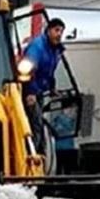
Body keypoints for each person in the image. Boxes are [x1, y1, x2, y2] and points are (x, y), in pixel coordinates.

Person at [23, 18, 66, 155]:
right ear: (48, 31)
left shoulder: (55, 50)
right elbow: (28, 69)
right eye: (56, 30)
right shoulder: (37, 46)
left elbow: (49, 72)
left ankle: (40, 155)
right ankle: (31, 156)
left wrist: (52, 88)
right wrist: (30, 92)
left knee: (38, 123)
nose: (59, 34)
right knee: (36, 124)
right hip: (30, 90)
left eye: (61, 31)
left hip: (39, 91)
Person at [52, 108, 77, 174]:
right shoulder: (71, 120)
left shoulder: (56, 120)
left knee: (59, 168)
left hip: (59, 148)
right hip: (68, 147)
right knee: (67, 169)